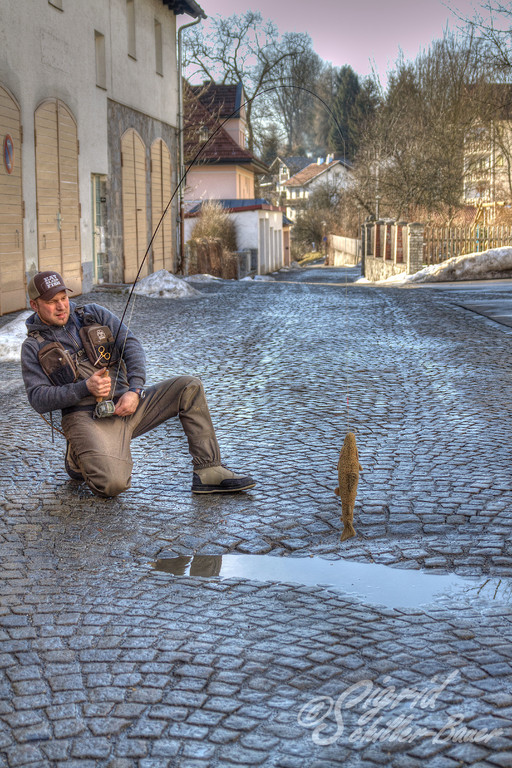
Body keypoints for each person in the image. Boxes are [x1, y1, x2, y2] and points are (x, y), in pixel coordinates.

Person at [21, 270, 256, 498]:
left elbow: (131, 345)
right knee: (112, 485)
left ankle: (208, 470)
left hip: (128, 405)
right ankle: (79, 456)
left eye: (64, 298)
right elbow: (38, 398)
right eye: (52, 302)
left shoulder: (93, 314)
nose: (62, 306)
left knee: (189, 387)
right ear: (35, 305)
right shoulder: (32, 347)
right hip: (87, 418)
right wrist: (84, 388)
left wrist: (135, 390)